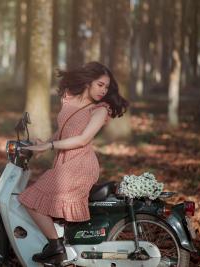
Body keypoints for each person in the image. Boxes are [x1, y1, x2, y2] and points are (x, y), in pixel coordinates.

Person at [18, 61, 129, 264]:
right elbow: (64, 131)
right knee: (39, 200)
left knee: (30, 199)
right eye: (100, 84)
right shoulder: (69, 98)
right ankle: (61, 245)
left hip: (81, 166)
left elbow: (83, 139)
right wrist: (45, 143)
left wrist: (50, 147)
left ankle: (56, 248)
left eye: (106, 86)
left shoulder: (100, 110)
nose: (103, 90)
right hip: (66, 163)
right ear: (88, 81)